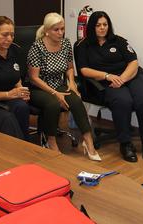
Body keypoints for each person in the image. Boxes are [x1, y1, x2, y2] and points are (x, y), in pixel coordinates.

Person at [75, 11, 143, 163]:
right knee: (123, 101)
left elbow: (133, 62)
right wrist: (107, 76)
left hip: (129, 76)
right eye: (98, 25)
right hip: (105, 81)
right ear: (92, 27)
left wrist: (123, 79)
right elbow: (84, 70)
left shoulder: (119, 41)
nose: (102, 28)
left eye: (105, 24)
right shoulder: (83, 45)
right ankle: (125, 144)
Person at [27, 12, 101, 161]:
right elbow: (33, 78)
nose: (61, 33)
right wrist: (54, 93)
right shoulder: (37, 47)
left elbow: (69, 68)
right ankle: (51, 141)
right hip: (39, 88)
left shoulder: (66, 43)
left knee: (76, 100)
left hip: (58, 84)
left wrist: (72, 83)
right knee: (53, 103)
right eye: (56, 30)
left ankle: (88, 142)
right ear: (47, 31)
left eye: (62, 29)